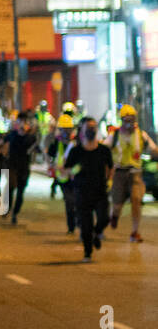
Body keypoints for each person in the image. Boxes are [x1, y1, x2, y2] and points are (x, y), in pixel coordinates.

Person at [107, 104, 157, 242]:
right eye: (127, 120)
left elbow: (153, 149)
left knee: (136, 200)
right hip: (119, 174)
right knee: (117, 205)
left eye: (132, 119)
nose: (130, 122)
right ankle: (115, 216)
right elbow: (104, 150)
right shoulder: (114, 136)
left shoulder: (141, 135)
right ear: (122, 120)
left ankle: (135, 232)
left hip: (135, 173)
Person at [66, 117, 113, 262]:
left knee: (104, 219)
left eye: (94, 127)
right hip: (82, 192)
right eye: (88, 128)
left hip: (100, 191)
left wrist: (109, 180)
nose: (91, 130)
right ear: (82, 131)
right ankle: (88, 252)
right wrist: (74, 169)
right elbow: (66, 170)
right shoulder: (76, 151)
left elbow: (111, 167)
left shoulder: (104, 150)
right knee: (85, 225)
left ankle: (96, 233)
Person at [4, 112, 39, 225]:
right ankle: (8, 208)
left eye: (25, 122)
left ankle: (15, 213)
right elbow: (3, 143)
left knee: (20, 192)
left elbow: (37, 149)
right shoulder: (12, 134)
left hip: (24, 168)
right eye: (20, 122)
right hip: (12, 166)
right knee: (10, 189)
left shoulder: (31, 138)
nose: (22, 125)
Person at [47, 114, 77, 232]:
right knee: (69, 201)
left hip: (75, 176)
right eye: (63, 129)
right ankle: (71, 227)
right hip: (63, 177)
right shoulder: (55, 144)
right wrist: (53, 166)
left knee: (77, 201)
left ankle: (78, 222)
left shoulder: (76, 143)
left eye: (68, 129)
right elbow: (49, 157)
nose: (66, 132)